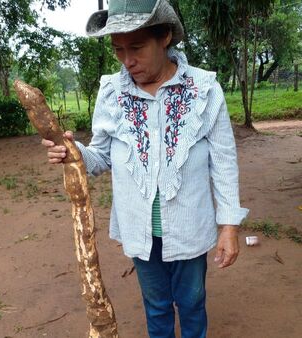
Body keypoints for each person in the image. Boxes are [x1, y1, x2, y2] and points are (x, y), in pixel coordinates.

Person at [42, 0, 248, 337]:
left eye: (136, 47)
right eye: (118, 49)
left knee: (193, 301)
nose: (127, 60)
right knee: (156, 305)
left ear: (165, 36)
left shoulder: (204, 89)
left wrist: (229, 226)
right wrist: (73, 153)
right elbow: (101, 157)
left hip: (189, 226)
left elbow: (224, 162)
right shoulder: (111, 92)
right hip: (139, 230)